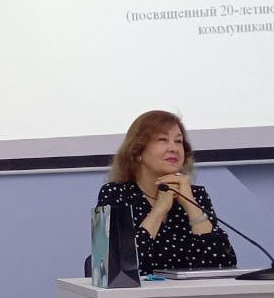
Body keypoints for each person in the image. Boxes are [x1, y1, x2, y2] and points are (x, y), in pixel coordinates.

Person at [96, 110, 237, 275]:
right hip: (138, 292)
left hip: (189, 292)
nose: (174, 148)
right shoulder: (115, 193)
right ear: (138, 151)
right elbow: (114, 268)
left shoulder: (196, 195)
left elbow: (223, 264)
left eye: (178, 141)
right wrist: (158, 210)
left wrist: (191, 205)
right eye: (163, 140)